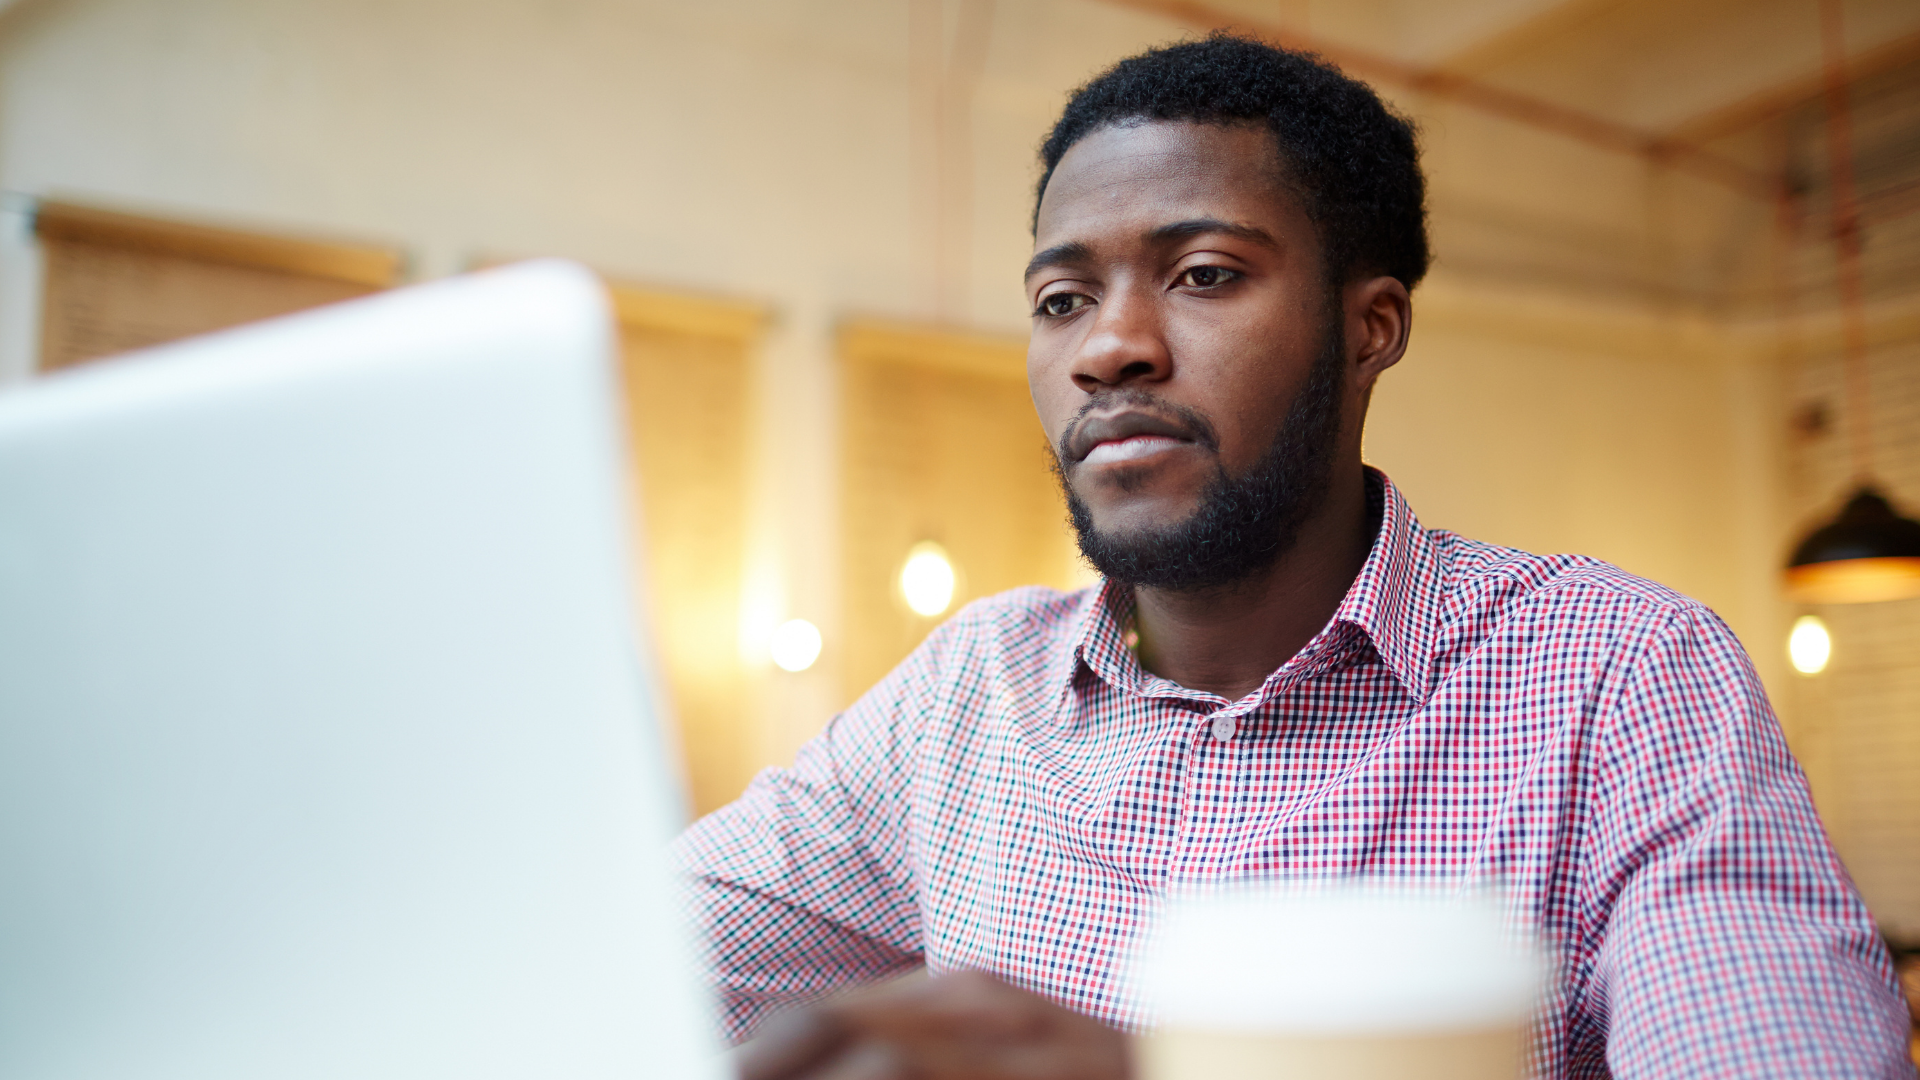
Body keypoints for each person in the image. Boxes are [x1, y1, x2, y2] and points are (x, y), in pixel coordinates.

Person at [676, 34, 1916, 1079]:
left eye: (1204, 275)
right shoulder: (964, 696)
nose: (1109, 348)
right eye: (1061, 300)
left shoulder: (1623, 677)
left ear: (1369, 328)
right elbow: (608, 970)